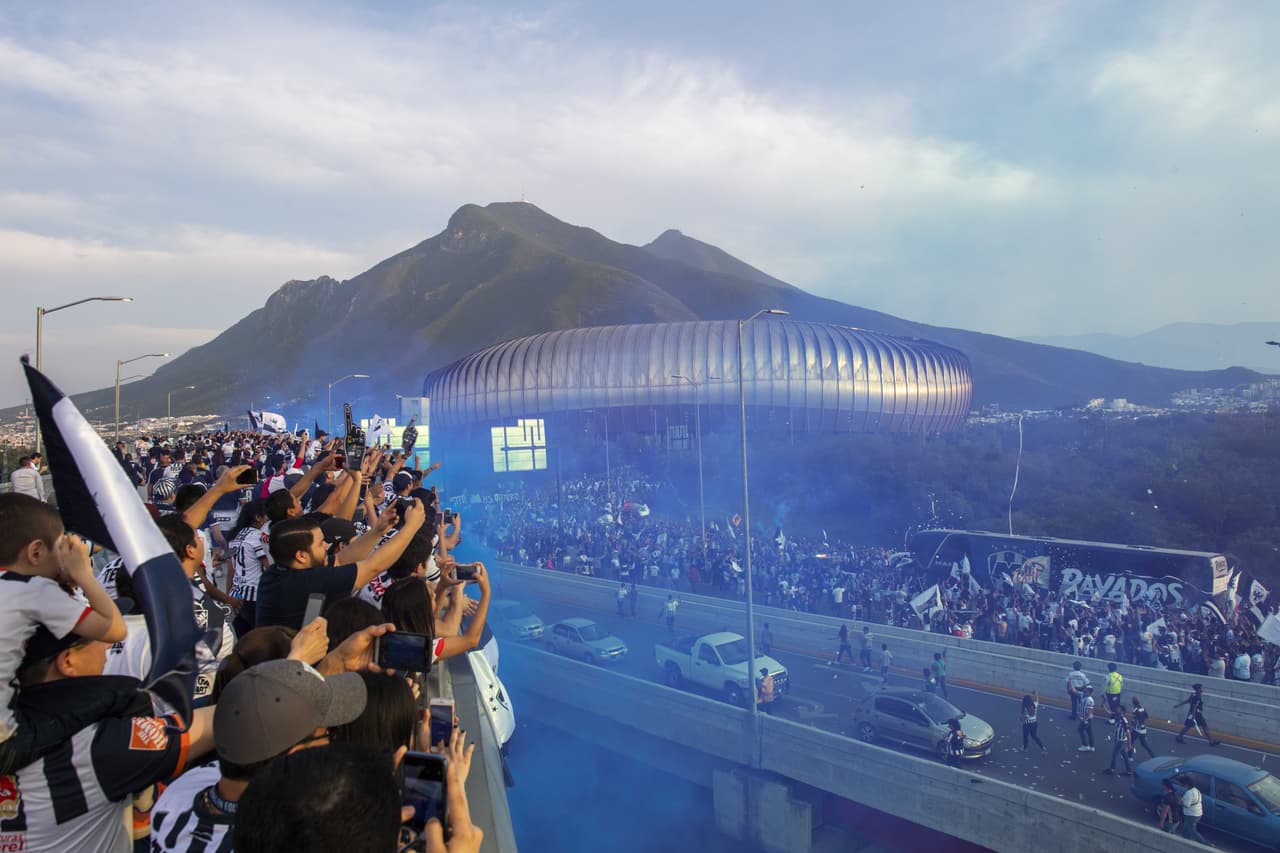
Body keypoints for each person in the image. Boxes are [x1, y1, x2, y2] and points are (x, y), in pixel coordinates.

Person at [9, 627, 215, 852]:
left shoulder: (10, 737)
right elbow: (221, 720)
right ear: (68, 661)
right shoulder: (94, 747)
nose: (107, 645)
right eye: (95, 638)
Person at [149, 656, 368, 852]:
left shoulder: (183, 789)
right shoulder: (286, 840)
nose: (331, 742)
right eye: (330, 733)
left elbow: (259, 720)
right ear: (293, 757)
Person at [0, 494, 130, 775]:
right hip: (5, 743)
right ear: (36, 552)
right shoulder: (33, 589)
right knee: (130, 694)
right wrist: (83, 574)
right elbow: (114, 629)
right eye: (61, 551)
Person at [256, 501, 426, 629]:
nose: (326, 546)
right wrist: (412, 527)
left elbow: (341, 559)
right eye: (320, 543)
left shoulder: (276, 572)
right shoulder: (306, 582)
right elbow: (373, 566)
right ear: (301, 556)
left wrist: (378, 530)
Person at [1177, 774, 1212, 844]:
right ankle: (1186, 840)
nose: (1182, 786)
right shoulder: (1196, 790)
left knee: (1191, 830)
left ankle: (1206, 843)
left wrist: (1180, 801)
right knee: (1186, 829)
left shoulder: (1189, 793)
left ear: (1186, 784)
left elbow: (1186, 805)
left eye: (1182, 784)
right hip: (1197, 813)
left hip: (1191, 815)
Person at [1103, 708, 1134, 776]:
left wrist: (1129, 745)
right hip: (1118, 739)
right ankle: (1129, 771)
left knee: (1114, 755)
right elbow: (1117, 728)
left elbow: (1128, 733)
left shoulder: (1124, 721)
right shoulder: (1118, 718)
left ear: (1122, 711)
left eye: (1119, 709)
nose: (1117, 709)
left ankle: (1112, 769)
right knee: (1124, 755)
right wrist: (1111, 734)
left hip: (1120, 741)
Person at [1076, 685, 1096, 752]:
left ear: (1089, 692)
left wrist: (1084, 720)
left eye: (1086, 689)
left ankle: (1085, 745)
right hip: (1085, 718)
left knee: (1080, 730)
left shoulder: (1090, 700)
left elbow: (1090, 712)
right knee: (1089, 732)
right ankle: (1091, 746)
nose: (1084, 690)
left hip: (1086, 719)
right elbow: (1075, 692)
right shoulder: (1083, 695)